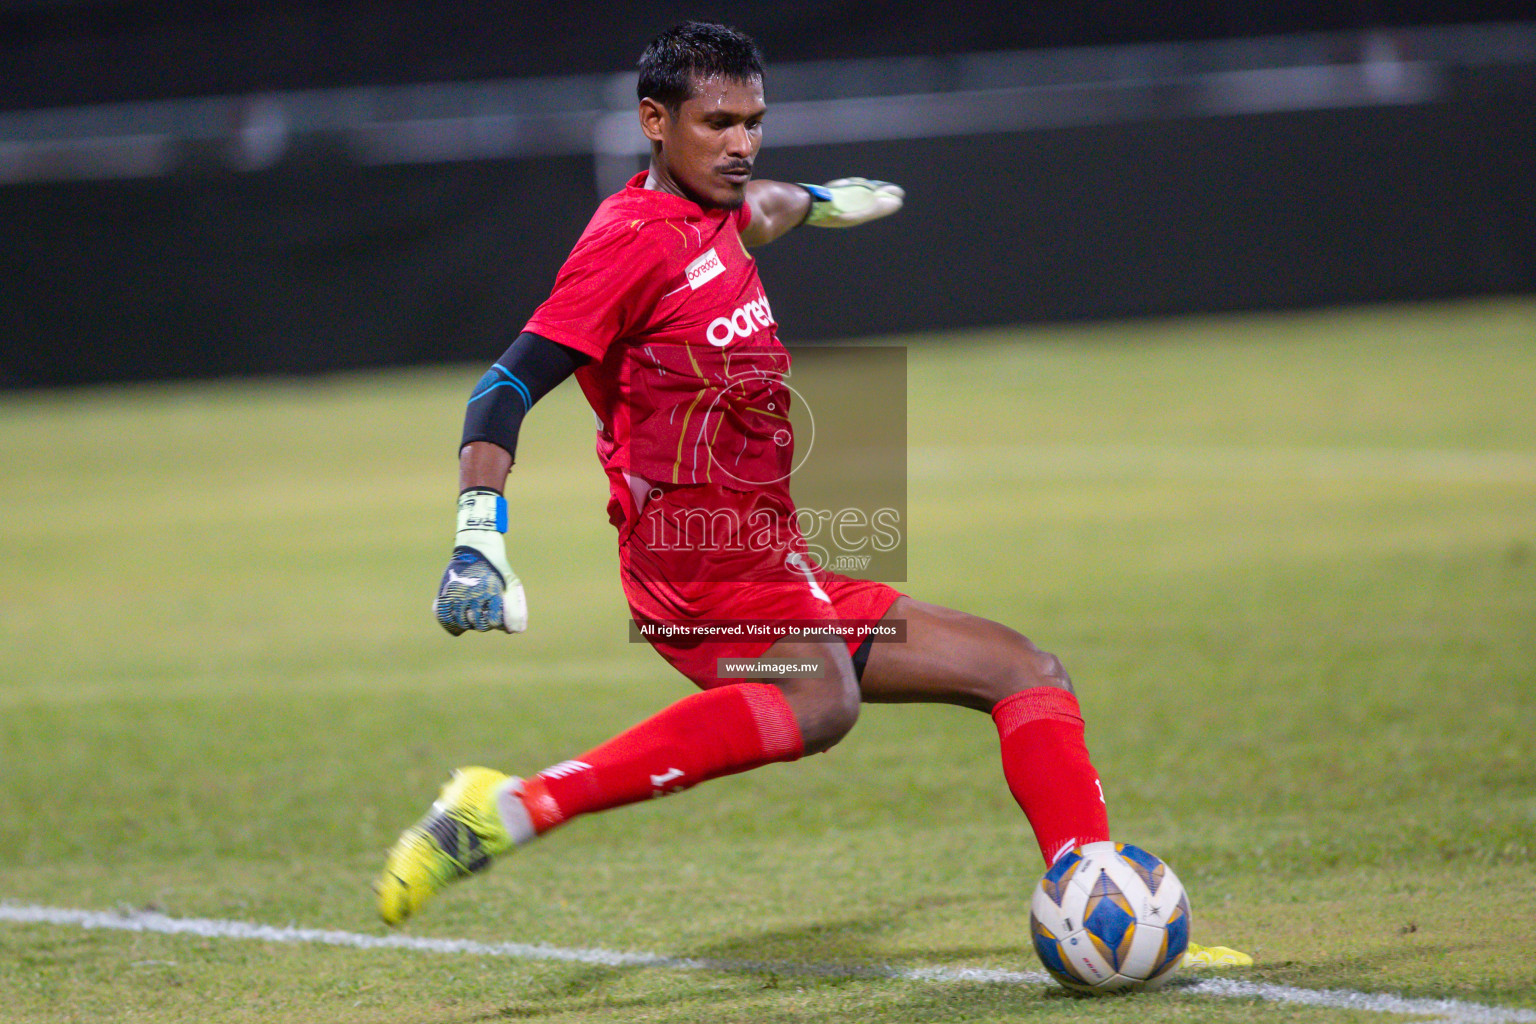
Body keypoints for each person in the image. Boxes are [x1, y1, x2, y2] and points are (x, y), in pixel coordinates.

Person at [374, 21, 1249, 969]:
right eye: (717, 124)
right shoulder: (627, 244)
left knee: (1026, 673)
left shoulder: (722, 206)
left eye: (754, 122)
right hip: (694, 562)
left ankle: (1104, 899)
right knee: (822, 700)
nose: (742, 144)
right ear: (654, 122)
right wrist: (478, 538)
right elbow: (501, 385)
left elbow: (769, 207)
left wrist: (826, 204)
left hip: (774, 554)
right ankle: (508, 808)